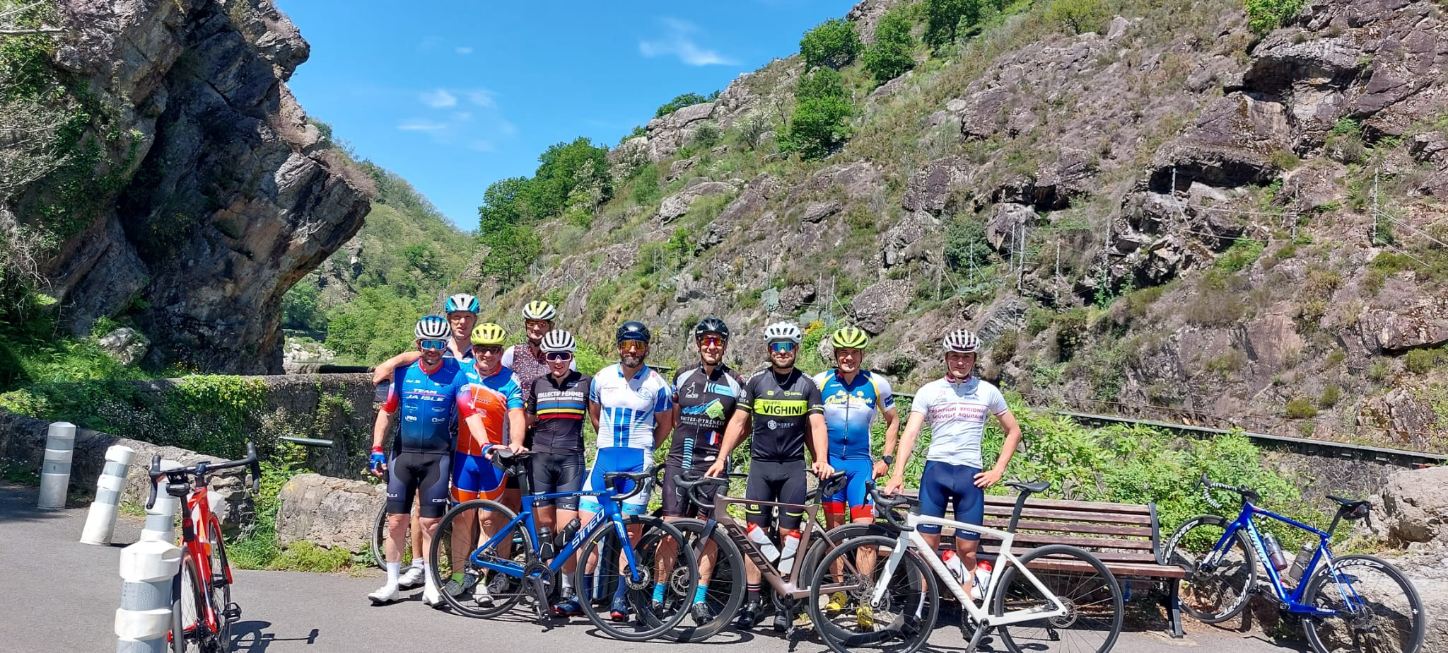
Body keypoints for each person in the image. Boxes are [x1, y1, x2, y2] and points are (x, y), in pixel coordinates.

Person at [707, 321, 833, 631]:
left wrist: (821, 459)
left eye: (788, 347)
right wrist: (722, 457)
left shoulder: (807, 385)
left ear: (796, 350)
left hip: (792, 469)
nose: (782, 352)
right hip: (761, 468)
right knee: (755, 535)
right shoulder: (756, 382)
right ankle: (752, 602)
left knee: (790, 537)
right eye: (777, 346)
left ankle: (784, 603)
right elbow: (738, 422)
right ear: (769, 350)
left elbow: (817, 425)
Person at [885, 329, 1023, 601]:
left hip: (970, 476)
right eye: (955, 356)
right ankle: (919, 607)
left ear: (974, 359)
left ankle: (968, 607)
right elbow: (910, 433)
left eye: (967, 357)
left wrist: (998, 470)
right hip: (936, 473)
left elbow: (1014, 431)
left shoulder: (987, 391)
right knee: (926, 547)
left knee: (967, 549)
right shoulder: (929, 391)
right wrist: (897, 473)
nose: (961, 362)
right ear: (946, 358)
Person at [367, 315, 487, 606]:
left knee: (431, 524)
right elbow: (387, 411)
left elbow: (470, 413)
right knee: (396, 521)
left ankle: (432, 585)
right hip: (403, 455)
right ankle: (391, 584)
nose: (432, 349)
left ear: (445, 345)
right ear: (418, 343)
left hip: (436, 458)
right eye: (426, 343)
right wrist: (377, 448)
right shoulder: (403, 373)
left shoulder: (456, 374)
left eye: (438, 343)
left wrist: (485, 444)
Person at [572, 321, 673, 622]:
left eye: (638, 345)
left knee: (630, 533)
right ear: (618, 347)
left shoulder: (657, 384)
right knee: (587, 528)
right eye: (626, 344)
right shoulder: (602, 378)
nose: (632, 350)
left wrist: (645, 449)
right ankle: (580, 596)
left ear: (646, 348)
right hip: (605, 460)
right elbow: (594, 414)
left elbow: (665, 424)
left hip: (637, 463)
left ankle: (621, 597)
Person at [656, 317, 744, 625]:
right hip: (679, 462)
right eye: (706, 340)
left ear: (724, 346)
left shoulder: (736, 381)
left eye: (717, 341)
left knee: (709, 534)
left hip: (713, 466)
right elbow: (675, 418)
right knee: (670, 528)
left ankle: (700, 600)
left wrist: (724, 454)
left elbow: (741, 425)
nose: (711, 346)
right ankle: (658, 595)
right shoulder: (682, 376)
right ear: (698, 344)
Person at [812, 326, 899, 624]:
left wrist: (886, 458)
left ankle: (864, 599)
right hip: (831, 466)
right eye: (843, 353)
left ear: (861, 355)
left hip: (861, 465)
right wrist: (817, 457)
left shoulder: (876, 384)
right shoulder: (820, 381)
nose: (848, 358)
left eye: (853, 353)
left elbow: (893, 420)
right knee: (834, 533)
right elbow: (809, 422)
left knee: (865, 535)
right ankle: (838, 593)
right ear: (836, 355)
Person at [448, 322, 527, 608]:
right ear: (474, 349)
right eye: (482, 349)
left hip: (493, 461)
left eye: (494, 350)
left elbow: (516, 414)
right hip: (463, 458)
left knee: (489, 520)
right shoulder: (461, 371)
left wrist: (516, 442)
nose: (488, 355)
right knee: (461, 519)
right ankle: (458, 576)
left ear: (500, 352)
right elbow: (421, 359)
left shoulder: (510, 379)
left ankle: (482, 580)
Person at [523, 329, 592, 616]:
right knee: (544, 530)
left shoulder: (586, 383)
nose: (558, 361)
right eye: (552, 356)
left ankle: (567, 587)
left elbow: (598, 420)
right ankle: (545, 583)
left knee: (567, 530)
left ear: (571, 356)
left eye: (564, 355)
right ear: (545, 357)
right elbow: (527, 420)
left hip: (570, 460)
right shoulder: (538, 384)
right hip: (540, 459)